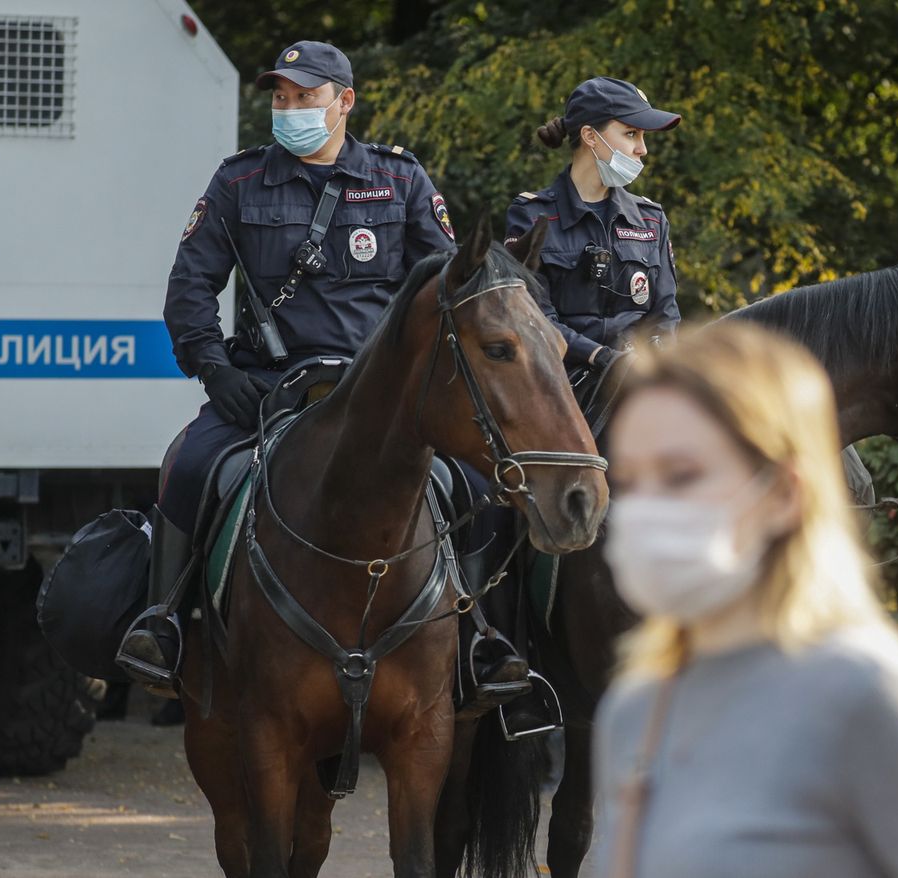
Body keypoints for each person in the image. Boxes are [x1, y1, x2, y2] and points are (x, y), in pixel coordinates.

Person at [590, 322, 898, 878]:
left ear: (785, 493)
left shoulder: (870, 701)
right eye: (631, 482)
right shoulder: (632, 712)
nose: (645, 510)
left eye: (681, 475)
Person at [116, 40, 457, 690]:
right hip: (268, 390)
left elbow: (452, 291)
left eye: (306, 97)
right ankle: (164, 624)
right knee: (188, 465)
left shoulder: (401, 179)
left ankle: (479, 638)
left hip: (376, 401)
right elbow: (189, 288)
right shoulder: (239, 180)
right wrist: (216, 370)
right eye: (281, 97)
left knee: (466, 483)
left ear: (344, 101)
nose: (290, 108)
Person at [505, 77, 682, 376]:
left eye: (642, 136)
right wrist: (601, 357)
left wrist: (656, 367)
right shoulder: (531, 216)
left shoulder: (651, 219)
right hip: (561, 385)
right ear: (590, 136)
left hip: (639, 383)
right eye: (631, 134)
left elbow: (665, 316)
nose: (642, 149)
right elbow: (533, 316)